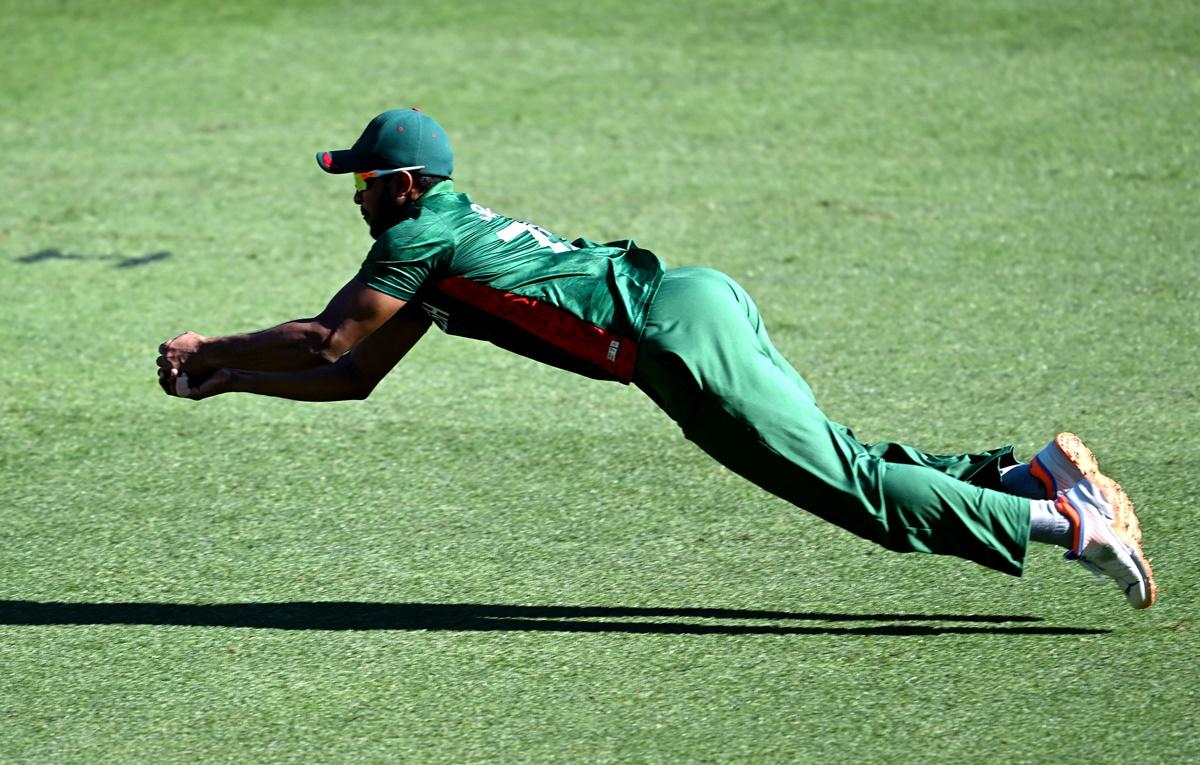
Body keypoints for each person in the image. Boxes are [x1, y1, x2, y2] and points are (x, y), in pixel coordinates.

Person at [157, 108, 1156, 609]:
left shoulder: (415, 241)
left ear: (406, 185)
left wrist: (208, 343)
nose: (358, 195)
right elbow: (356, 372)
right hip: (695, 301)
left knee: (848, 490)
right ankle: (1029, 477)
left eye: (366, 181)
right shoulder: (438, 245)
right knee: (844, 455)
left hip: (672, 342)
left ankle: (1064, 523)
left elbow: (329, 337)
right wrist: (234, 377)